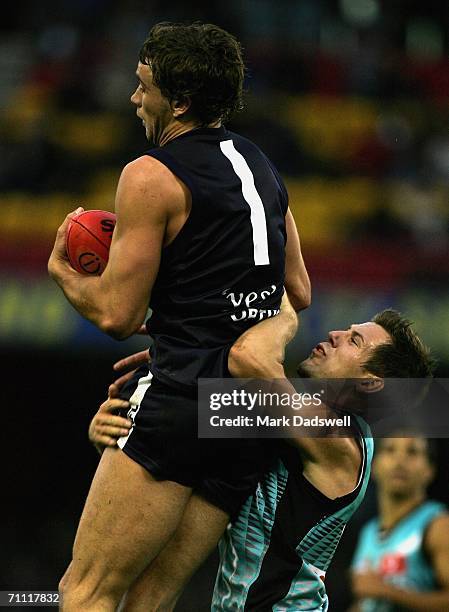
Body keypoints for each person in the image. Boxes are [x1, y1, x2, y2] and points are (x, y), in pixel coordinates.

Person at [48, 22, 310, 611]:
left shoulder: (148, 174)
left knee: (84, 591)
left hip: (182, 400)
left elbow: (116, 314)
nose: (134, 97)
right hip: (249, 411)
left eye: (144, 86)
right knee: (151, 598)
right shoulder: (262, 164)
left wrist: (62, 271)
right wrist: (198, 323)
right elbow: (298, 289)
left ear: (180, 101)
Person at [89, 307, 434, 611]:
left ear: (371, 383)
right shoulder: (303, 426)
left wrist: (283, 310)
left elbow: (245, 358)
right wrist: (122, 420)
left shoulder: (337, 439)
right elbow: (187, 421)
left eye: (354, 341)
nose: (335, 334)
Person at [350, 436, 449, 611]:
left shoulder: (438, 524)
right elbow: (368, 604)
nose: (400, 460)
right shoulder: (368, 532)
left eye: (412, 452)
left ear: (429, 470)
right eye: (389, 450)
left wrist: (388, 591)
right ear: (374, 466)